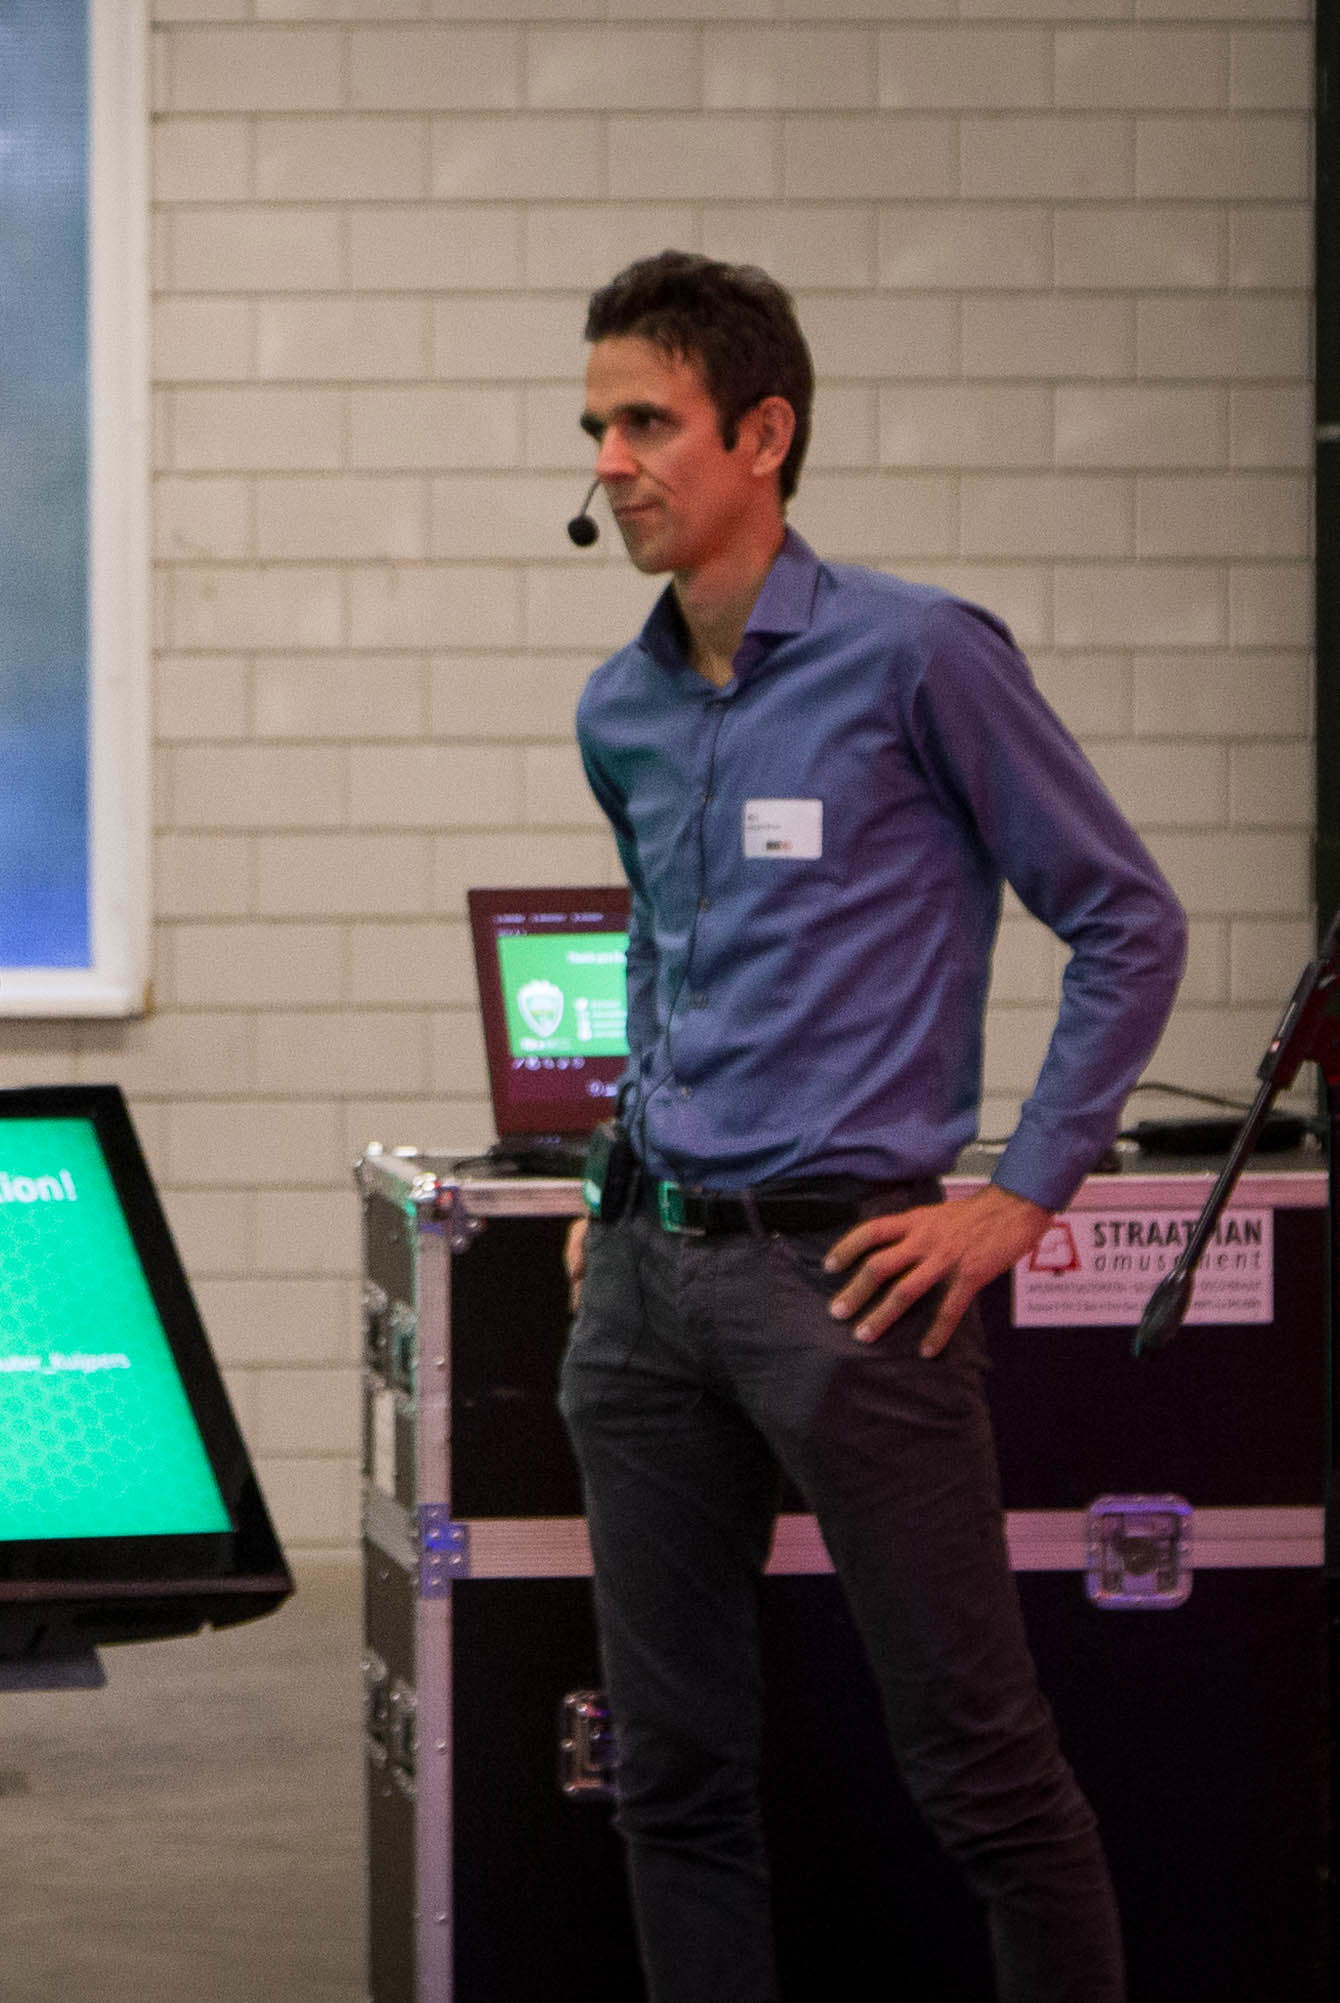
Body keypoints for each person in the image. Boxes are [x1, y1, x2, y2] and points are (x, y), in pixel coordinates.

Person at [559, 250, 1183, 2003]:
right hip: (647, 1298)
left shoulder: (920, 659)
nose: (609, 460)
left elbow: (1128, 921)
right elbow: (665, 954)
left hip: (854, 1284)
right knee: (669, 1775)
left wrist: (1023, 1194)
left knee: (981, 1768)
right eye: (597, 425)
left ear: (763, 435)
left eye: (647, 422)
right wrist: (616, 1170)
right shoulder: (621, 708)